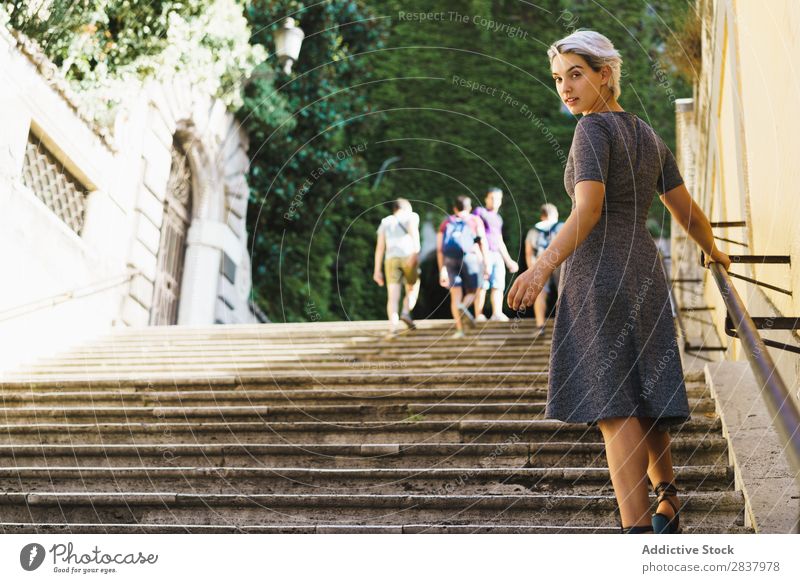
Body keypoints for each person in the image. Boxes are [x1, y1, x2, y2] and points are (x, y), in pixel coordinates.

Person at [507, 30, 731, 534]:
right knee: (643, 387)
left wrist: (541, 267)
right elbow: (687, 213)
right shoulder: (648, 135)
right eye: (558, 79)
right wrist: (714, 252)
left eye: (576, 74)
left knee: (614, 402)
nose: (565, 88)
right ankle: (667, 499)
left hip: (600, 274)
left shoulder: (591, 131)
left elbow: (588, 210)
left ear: (605, 73)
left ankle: (635, 532)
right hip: (644, 271)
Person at [437, 195, 490, 339]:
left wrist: (442, 269)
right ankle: (464, 306)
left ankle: (459, 330)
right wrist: (486, 262)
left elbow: (440, 248)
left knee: (455, 296)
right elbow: (482, 241)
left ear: (454, 208)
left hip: (450, 260)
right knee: (476, 288)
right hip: (470, 258)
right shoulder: (474, 220)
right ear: (470, 208)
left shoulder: (447, 222)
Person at [373, 198, 421, 337]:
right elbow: (415, 236)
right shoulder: (411, 217)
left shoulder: (385, 221)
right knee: (413, 287)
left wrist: (377, 270)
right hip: (408, 256)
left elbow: (380, 248)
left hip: (391, 259)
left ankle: (393, 329)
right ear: (406, 208)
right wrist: (416, 253)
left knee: (393, 296)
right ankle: (406, 311)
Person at [472, 187, 520, 322]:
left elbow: (499, 240)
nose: (494, 201)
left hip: (496, 254)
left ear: (500, 201)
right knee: (482, 285)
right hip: (483, 254)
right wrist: (482, 256)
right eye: (491, 197)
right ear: (486, 198)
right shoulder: (479, 212)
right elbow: (476, 235)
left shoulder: (498, 218)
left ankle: (497, 313)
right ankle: (479, 314)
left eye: (497, 198)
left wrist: (508, 260)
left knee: (498, 284)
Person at [524, 203, 564, 338]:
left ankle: (540, 326)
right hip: (559, 262)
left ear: (542, 215)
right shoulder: (561, 226)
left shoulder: (533, 231)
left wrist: (532, 270)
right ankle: (564, 326)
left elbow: (528, 253)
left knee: (540, 294)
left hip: (539, 263)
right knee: (563, 292)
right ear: (556, 214)